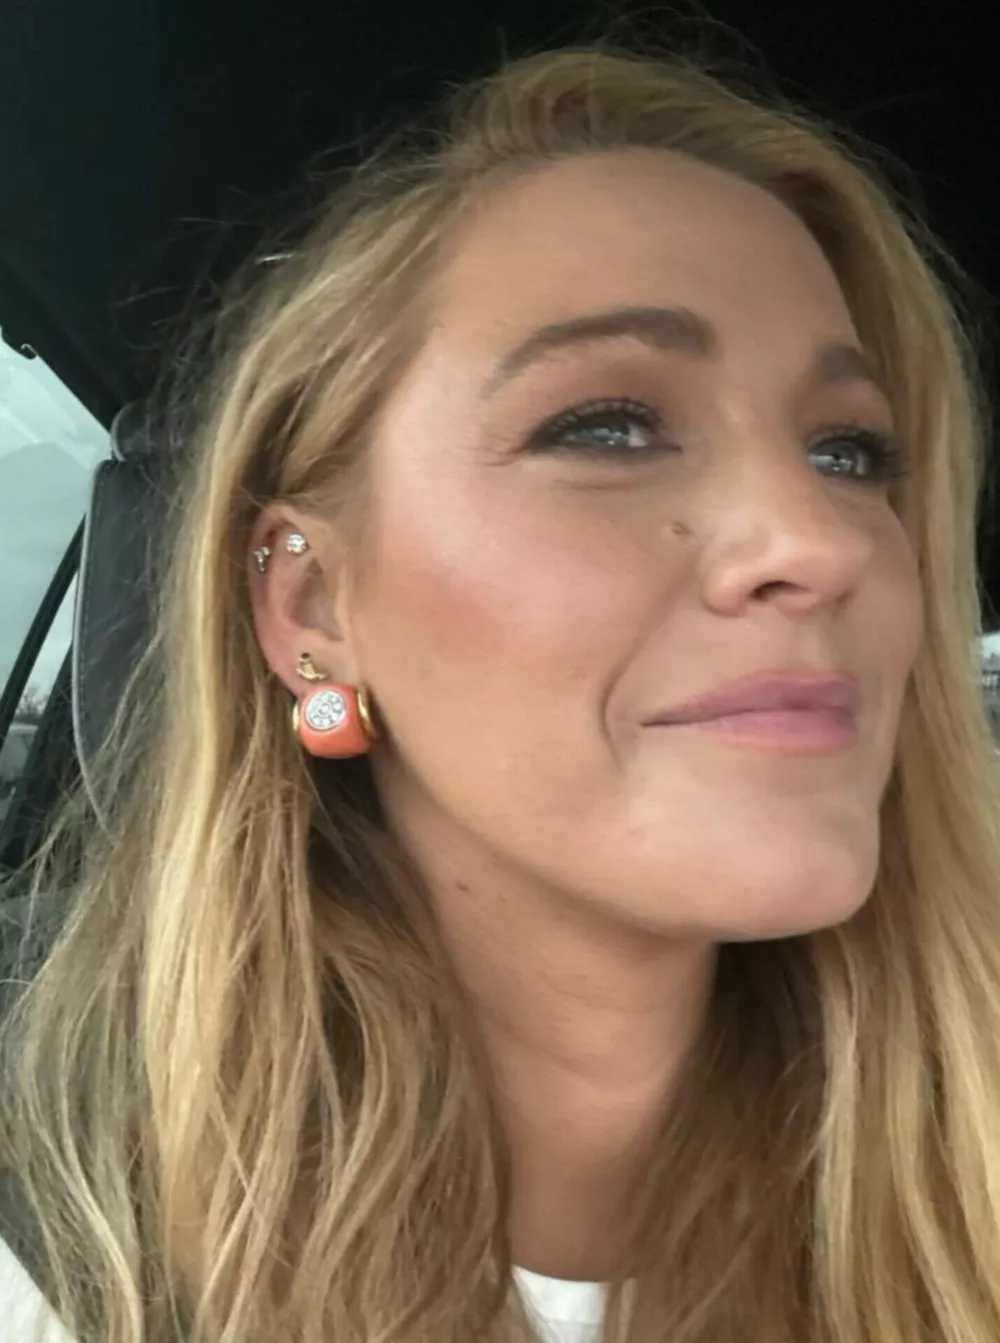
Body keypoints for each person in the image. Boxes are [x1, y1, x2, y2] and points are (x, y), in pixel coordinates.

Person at [1, 35, 1000, 1343]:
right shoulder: (56, 1246)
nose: (819, 538)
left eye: (850, 451)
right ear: (313, 607)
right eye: (607, 427)